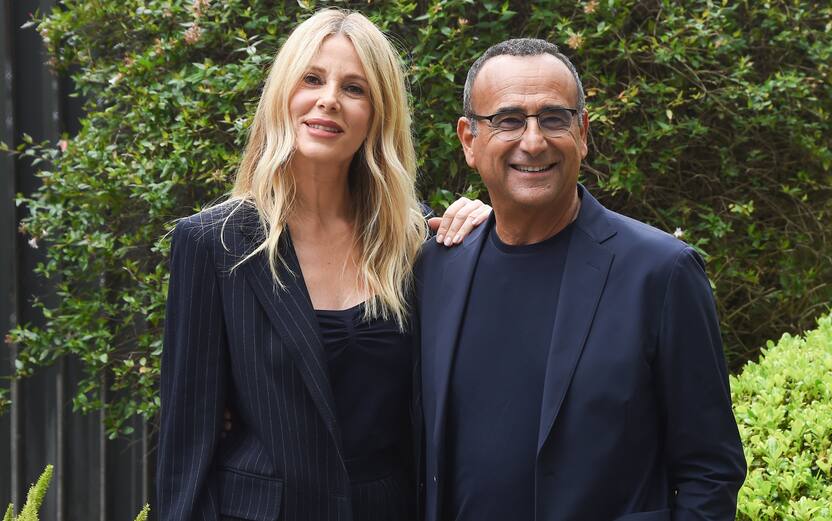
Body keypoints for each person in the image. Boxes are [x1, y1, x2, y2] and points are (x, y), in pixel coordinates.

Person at [156, 9, 489, 521]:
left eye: (354, 88)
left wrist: (490, 232)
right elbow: (187, 445)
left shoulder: (417, 239)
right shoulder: (212, 243)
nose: (329, 98)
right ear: (284, 94)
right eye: (312, 79)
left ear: (377, 113)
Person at [415, 38, 746, 521]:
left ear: (582, 132)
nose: (533, 141)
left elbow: (710, 472)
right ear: (469, 140)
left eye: (553, 118)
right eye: (508, 120)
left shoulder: (662, 273)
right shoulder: (437, 268)